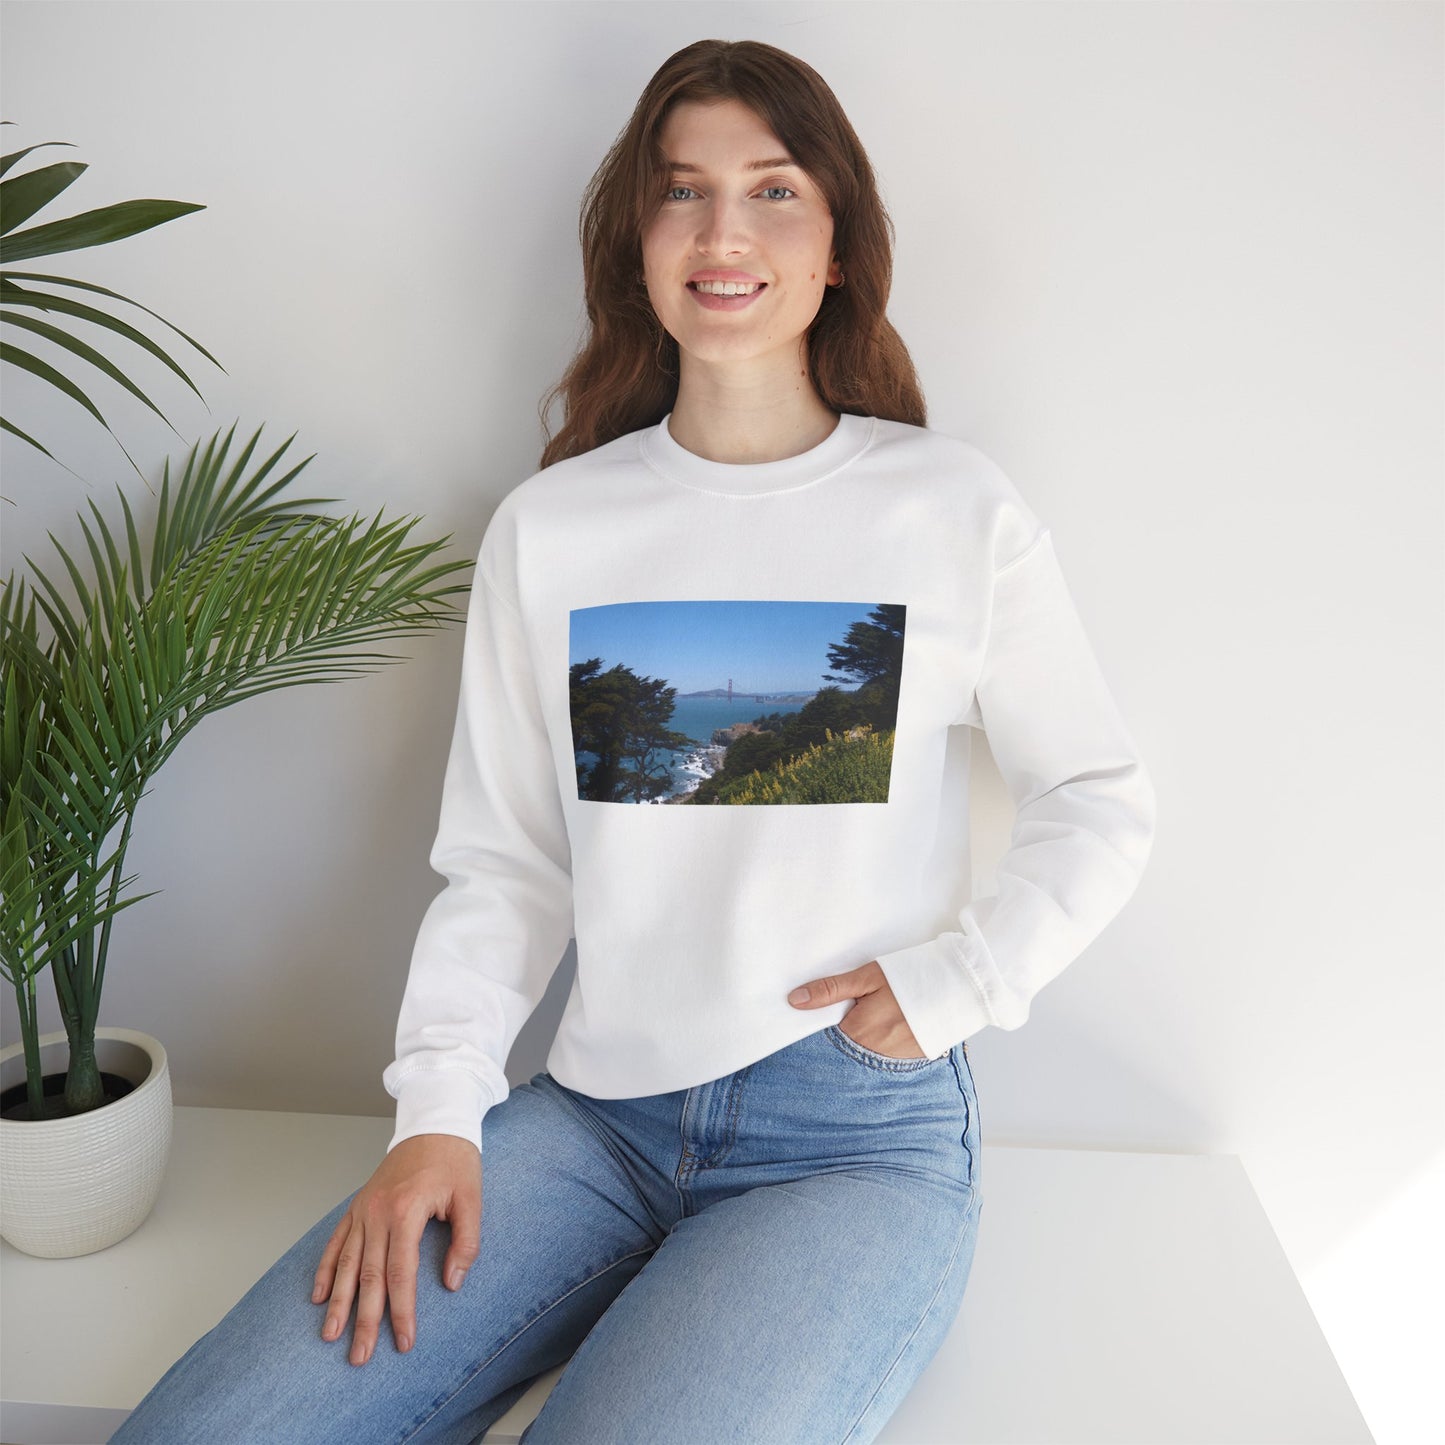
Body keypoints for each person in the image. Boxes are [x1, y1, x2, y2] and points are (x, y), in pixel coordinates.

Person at [110, 37, 1156, 1445]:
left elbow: (1096, 792)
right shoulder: (557, 528)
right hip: (593, 1117)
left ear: (837, 241)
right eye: (681, 193)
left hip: (847, 1140)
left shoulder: (948, 510)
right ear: (637, 241)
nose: (724, 232)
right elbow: (506, 864)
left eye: (772, 191)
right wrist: (438, 1109)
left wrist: (961, 977)